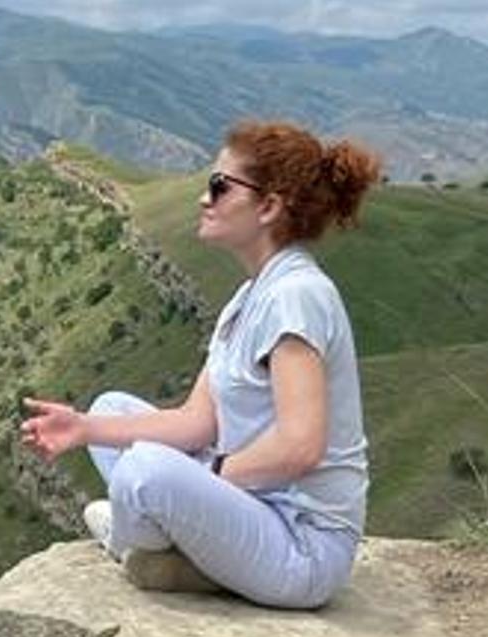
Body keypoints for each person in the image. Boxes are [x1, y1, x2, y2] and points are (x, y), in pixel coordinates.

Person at [19, 120, 379, 609]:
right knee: (111, 410)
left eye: (220, 186)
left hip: (302, 546)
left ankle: (132, 540)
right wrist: (84, 428)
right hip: (252, 507)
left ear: (268, 207)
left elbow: (300, 448)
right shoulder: (250, 296)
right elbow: (197, 421)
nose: (203, 199)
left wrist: (208, 476)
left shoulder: (296, 296)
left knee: (144, 470)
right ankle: (187, 554)